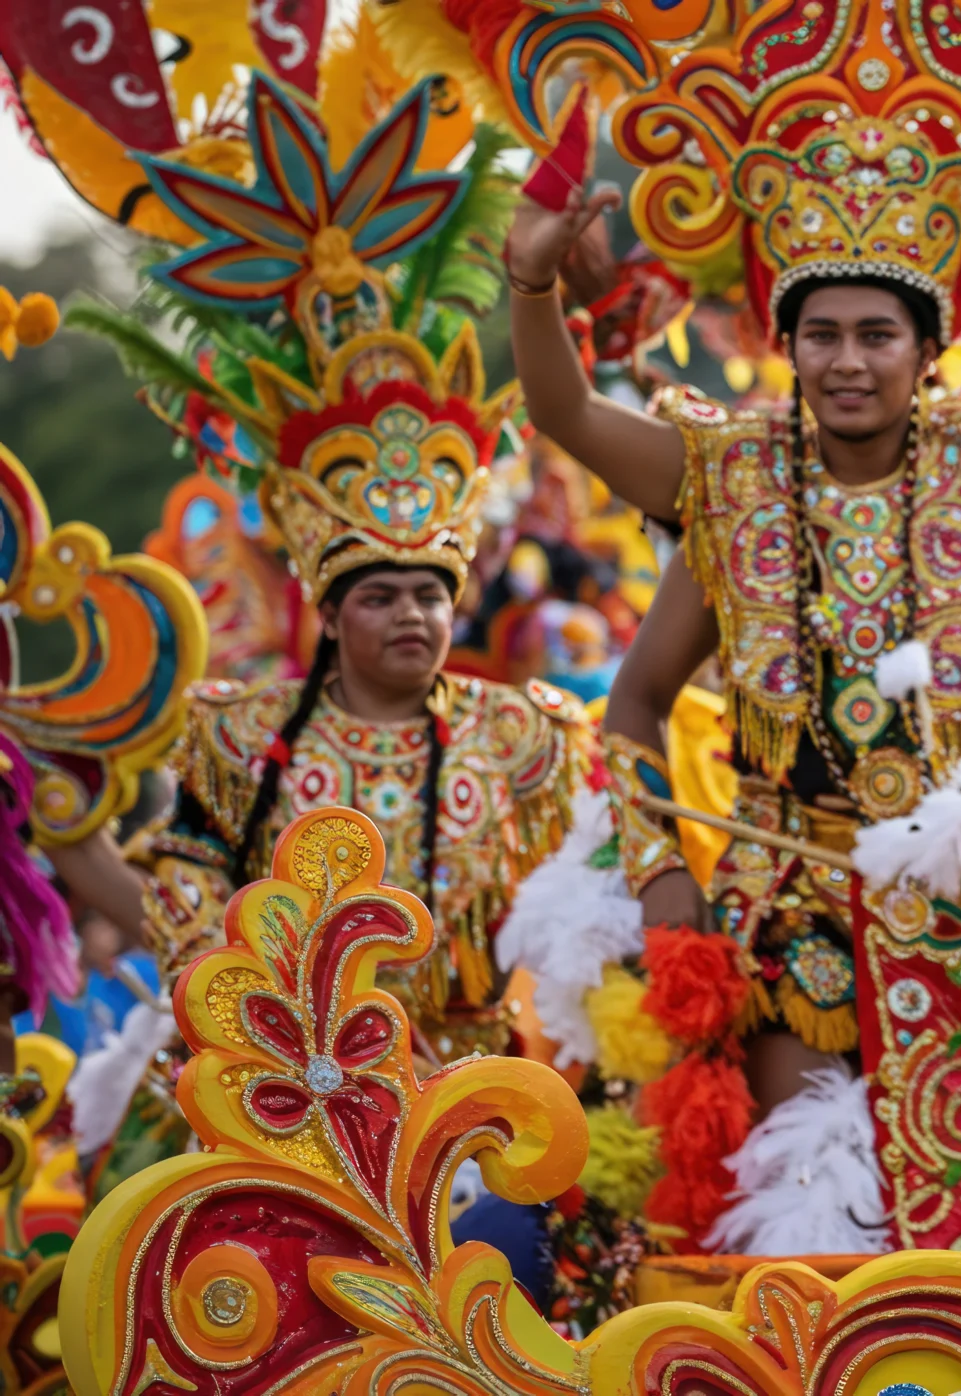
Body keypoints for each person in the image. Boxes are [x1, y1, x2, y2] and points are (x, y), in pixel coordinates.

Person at [493, 0, 961, 1252]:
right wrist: (534, 276)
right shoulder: (733, 480)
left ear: (927, 347)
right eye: (820, 334)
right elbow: (635, 684)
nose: (846, 361)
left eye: (878, 333)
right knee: (812, 1221)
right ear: (788, 344)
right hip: (788, 907)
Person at [50, 77, 594, 1073]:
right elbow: (184, 901)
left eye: (430, 594)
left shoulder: (525, 735)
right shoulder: (240, 737)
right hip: (290, 1091)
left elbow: (588, 910)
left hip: (481, 1094)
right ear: (331, 613)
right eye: (381, 597)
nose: (413, 617)